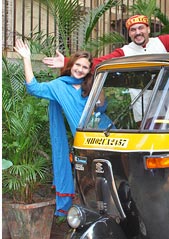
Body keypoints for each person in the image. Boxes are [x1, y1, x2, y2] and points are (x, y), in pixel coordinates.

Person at [13, 39, 110, 219]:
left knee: (111, 180)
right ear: (71, 65)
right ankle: (91, 219)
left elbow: (102, 108)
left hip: (108, 135)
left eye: (85, 67)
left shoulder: (90, 85)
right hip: (87, 142)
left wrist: (98, 84)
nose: (80, 70)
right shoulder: (58, 86)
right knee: (91, 182)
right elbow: (33, 88)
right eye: (77, 65)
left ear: (89, 70)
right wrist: (26, 58)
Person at [42, 3, 169, 70]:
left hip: (168, 102)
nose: (137, 33)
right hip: (141, 109)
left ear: (148, 30)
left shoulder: (162, 43)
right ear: (129, 34)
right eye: (133, 30)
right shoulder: (124, 52)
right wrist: (67, 61)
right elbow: (98, 62)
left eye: (140, 29)